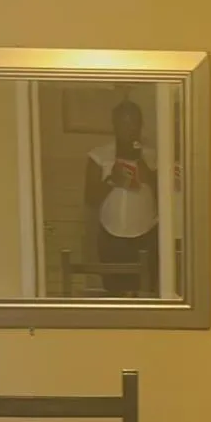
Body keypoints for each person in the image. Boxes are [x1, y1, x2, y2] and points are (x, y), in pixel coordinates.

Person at [84, 98, 159, 295]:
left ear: (141, 125)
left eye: (134, 123)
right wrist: (111, 180)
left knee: (147, 292)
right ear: (114, 125)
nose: (129, 128)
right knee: (115, 293)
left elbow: (166, 195)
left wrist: (140, 162)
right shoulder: (99, 156)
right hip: (111, 237)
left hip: (146, 235)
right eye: (124, 123)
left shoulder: (154, 156)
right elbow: (90, 198)